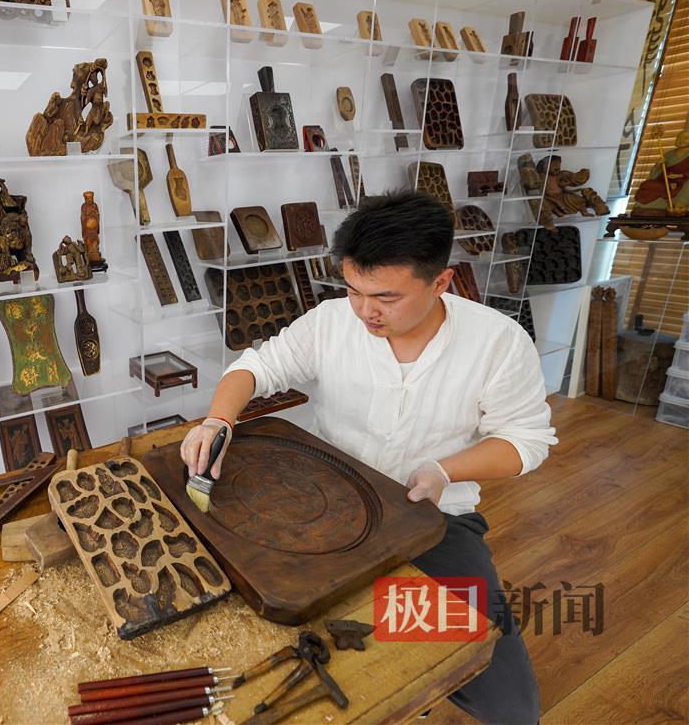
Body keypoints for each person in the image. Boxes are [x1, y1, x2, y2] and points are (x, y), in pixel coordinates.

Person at [180, 191, 554, 724]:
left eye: (385, 297)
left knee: (511, 705)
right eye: (353, 290)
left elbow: (526, 441)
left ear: (440, 282)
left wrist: (446, 470)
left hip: (431, 522)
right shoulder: (333, 321)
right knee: (242, 620)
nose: (365, 311)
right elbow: (257, 368)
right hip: (320, 504)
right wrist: (219, 419)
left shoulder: (498, 342)